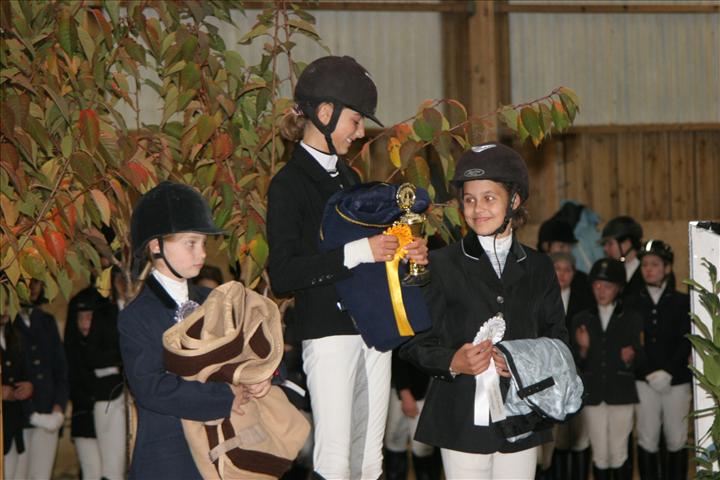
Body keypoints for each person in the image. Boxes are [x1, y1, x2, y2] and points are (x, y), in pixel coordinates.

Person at [267, 55, 428, 479]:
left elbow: (372, 258)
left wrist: (402, 252)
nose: (360, 133)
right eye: (355, 121)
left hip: (372, 330)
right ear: (325, 113)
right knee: (335, 461)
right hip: (328, 333)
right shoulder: (288, 185)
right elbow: (283, 273)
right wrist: (360, 251)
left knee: (370, 462)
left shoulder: (350, 180)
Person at [399, 142, 568, 479]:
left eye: (489, 198)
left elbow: (558, 339)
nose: (477, 209)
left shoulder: (539, 267)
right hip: (460, 417)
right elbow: (414, 342)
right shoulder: (440, 264)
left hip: (522, 417)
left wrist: (523, 360)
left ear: (514, 201)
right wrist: (453, 361)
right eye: (470, 199)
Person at [118, 181, 270, 479]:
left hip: (225, 451)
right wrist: (226, 396)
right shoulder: (137, 316)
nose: (201, 253)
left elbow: (254, 347)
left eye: (203, 243)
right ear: (156, 246)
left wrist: (262, 376)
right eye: (190, 243)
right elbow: (152, 389)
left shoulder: (215, 300)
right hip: (170, 459)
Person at [570, 259, 645, 480]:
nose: (601, 291)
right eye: (597, 285)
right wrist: (583, 348)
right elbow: (575, 362)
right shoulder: (581, 318)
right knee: (600, 453)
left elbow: (641, 358)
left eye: (608, 286)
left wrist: (630, 357)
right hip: (593, 393)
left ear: (619, 289)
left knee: (619, 452)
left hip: (621, 392)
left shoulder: (631, 318)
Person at [625, 240, 691, 480]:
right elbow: (633, 341)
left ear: (667, 268)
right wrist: (648, 371)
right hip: (644, 380)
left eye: (654, 264)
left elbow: (686, 339)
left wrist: (669, 371)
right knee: (647, 437)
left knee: (677, 437)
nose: (648, 269)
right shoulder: (632, 302)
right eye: (644, 265)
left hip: (677, 379)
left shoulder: (683, 301)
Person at [539, 252, 594, 480]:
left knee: (576, 438)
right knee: (550, 442)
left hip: (576, 374)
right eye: (557, 268)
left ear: (574, 274)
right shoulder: (538, 297)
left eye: (567, 270)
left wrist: (583, 350)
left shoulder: (584, 301)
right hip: (545, 377)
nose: (562, 274)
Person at [65, 287, 126, 480]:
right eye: (81, 317)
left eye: (90, 317)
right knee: (91, 471)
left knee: (112, 469)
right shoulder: (71, 348)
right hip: (84, 418)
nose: (85, 323)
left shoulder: (107, 344)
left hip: (108, 410)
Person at [13, 278, 69, 480]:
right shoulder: (9, 322)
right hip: (19, 416)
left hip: (48, 409)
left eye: (36, 282)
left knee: (41, 475)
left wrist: (58, 407)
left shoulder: (46, 320)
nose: (33, 288)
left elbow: (60, 369)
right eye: (28, 282)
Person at [384, 350, 437, 480]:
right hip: (403, 388)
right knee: (396, 444)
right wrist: (404, 391)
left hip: (428, 390)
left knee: (423, 449)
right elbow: (398, 353)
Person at [2, 301, 33, 479]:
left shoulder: (15, 336)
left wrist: (28, 386)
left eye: (7, 303)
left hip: (13, 424)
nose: (4, 309)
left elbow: (25, 373)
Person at [600, 216, 644, 298]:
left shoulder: (646, 273)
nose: (605, 248)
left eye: (610, 243)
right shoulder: (611, 271)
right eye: (604, 244)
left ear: (627, 243)